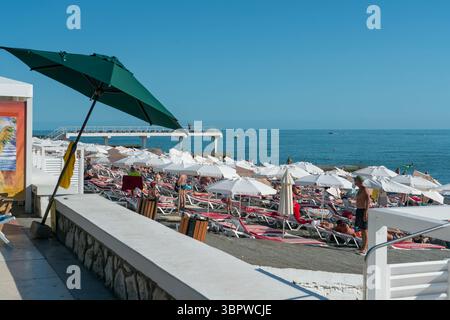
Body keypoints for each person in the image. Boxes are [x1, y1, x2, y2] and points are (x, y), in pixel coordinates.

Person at [354, 176, 371, 255]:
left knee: (365, 230)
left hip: (363, 210)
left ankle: (365, 248)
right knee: (362, 229)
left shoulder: (364, 189)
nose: (354, 181)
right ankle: (363, 246)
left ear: (359, 181)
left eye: (356, 180)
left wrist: (366, 212)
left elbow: (368, 200)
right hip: (359, 210)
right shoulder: (359, 189)